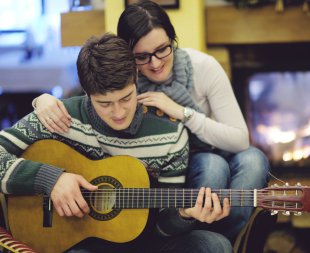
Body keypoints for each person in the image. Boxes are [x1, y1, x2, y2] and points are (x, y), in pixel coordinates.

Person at [31, 0, 270, 243]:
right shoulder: (125, 79)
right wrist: (43, 100)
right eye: (142, 57)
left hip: (213, 146)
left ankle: (229, 239)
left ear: (173, 40)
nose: (155, 63)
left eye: (162, 49)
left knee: (254, 160)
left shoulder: (203, 67)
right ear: (127, 56)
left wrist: (181, 112)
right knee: (213, 166)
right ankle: (201, 236)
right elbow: (90, 96)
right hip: (177, 164)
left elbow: (240, 140)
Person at [0, 33, 232, 253]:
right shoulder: (58, 117)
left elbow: (162, 227)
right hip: (79, 242)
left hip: (145, 242)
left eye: (126, 98)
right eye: (105, 103)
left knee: (215, 245)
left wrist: (184, 214)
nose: (118, 112)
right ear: (87, 92)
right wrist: (51, 180)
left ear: (136, 79)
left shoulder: (171, 134)